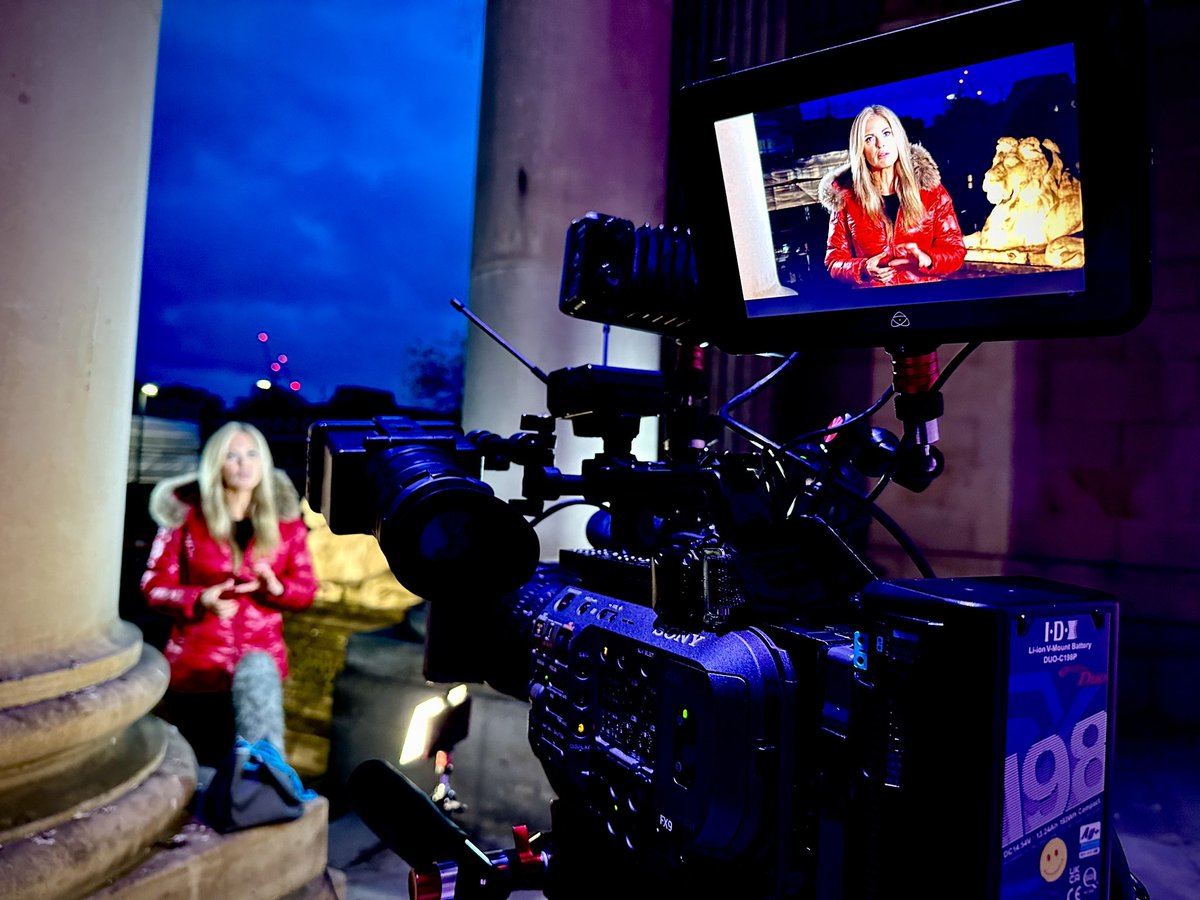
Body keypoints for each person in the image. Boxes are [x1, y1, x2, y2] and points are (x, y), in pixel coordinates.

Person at [141, 421, 317, 767]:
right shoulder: (186, 517)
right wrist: (200, 598)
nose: (243, 464)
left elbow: (306, 590)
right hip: (197, 670)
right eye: (232, 456)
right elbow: (153, 586)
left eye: (252, 454)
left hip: (258, 672)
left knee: (256, 770)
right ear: (216, 462)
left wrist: (277, 588)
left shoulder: (286, 522)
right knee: (200, 769)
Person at [819, 104, 966, 286]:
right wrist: (863, 268)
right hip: (875, 299)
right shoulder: (846, 197)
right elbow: (834, 262)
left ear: (898, 137)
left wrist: (927, 258)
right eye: (869, 139)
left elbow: (955, 251)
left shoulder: (931, 190)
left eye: (886, 133)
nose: (880, 144)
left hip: (924, 296)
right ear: (861, 149)